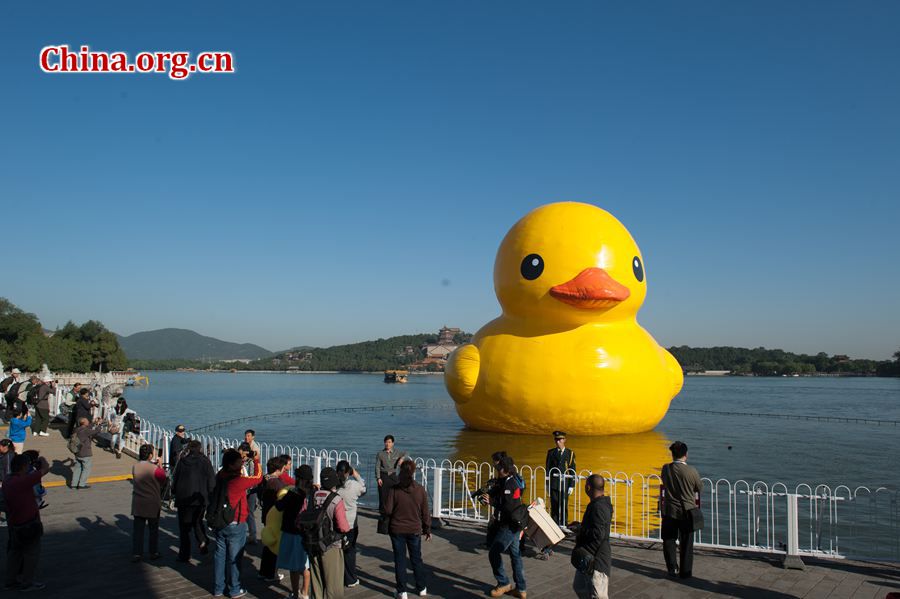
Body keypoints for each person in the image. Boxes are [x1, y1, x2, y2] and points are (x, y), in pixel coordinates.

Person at [211, 447, 262, 599]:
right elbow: (258, 478)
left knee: (220, 556)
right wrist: (257, 460)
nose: (241, 464)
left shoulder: (220, 475)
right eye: (239, 462)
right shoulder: (238, 481)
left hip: (219, 521)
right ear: (232, 465)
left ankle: (218, 588)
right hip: (236, 522)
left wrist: (243, 458)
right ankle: (234, 589)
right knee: (234, 558)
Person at [2, 452, 50, 591]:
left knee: (14, 553)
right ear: (23, 466)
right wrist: (42, 459)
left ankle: (10, 581)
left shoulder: (7, 480)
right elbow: (46, 469)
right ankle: (27, 582)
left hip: (14, 523)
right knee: (31, 554)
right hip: (28, 523)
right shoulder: (23, 481)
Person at [383, 460, 430, 598]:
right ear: (413, 472)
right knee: (416, 559)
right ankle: (421, 587)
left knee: (400, 560)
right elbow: (425, 513)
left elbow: (388, 510)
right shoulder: (420, 489)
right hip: (414, 529)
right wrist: (427, 529)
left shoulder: (394, 489)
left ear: (400, 471)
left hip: (397, 529)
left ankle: (402, 590)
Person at [660, 440, 703, 580]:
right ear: (686, 454)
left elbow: (664, 482)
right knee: (686, 542)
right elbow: (699, 487)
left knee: (669, 539)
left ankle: (672, 567)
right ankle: (685, 571)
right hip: (687, 510)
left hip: (669, 509)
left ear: (672, 454)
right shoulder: (691, 471)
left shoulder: (665, 469)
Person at [486, 455, 527, 599]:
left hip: (509, 524)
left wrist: (492, 502)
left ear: (504, 469)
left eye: (499, 468)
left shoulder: (510, 484)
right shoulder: (512, 480)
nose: (497, 471)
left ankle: (503, 583)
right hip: (516, 523)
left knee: (494, 552)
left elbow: (508, 507)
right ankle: (521, 588)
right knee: (515, 555)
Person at [309, 467, 351, 599]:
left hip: (314, 543)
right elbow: (343, 527)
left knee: (317, 582)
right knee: (334, 586)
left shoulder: (313, 496)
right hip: (331, 545)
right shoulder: (336, 500)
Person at [173, 439, 215, 562]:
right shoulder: (205, 462)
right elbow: (211, 481)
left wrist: (174, 492)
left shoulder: (182, 462)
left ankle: (184, 554)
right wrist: (210, 497)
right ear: (200, 449)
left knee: (184, 528)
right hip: (199, 498)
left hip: (183, 499)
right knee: (197, 521)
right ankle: (202, 541)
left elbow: (176, 479)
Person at [572, 474, 612, 599]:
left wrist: (580, 529)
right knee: (579, 586)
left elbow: (598, 534)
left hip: (596, 561)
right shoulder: (598, 504)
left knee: (597, 595)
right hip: (587, 558)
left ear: (588, 487)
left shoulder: (598, 507)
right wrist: (580, 526)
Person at [278, 465, 314, 599]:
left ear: (298, 478)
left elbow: (279, 506)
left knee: (294, 567)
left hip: (291, 532)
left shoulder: (293, 493)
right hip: (306, 533)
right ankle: (305, 593)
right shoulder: (313, 492)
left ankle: (294, 592)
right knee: (306, 566)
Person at [132, 444, 167, 562]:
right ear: (150, 455)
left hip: (138, 502)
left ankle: (137, 553)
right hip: (152, 502)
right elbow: (163, 479)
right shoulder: (155, 469)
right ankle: (153, 552)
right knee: (153, 529)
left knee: (138, 530)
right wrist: (160, 465)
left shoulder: (135, 466)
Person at [336, 460, 366, 588]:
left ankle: (338, 575)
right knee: (350, 550)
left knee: (338, 550)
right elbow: (363, 488)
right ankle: (350, 578)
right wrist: (356, 475)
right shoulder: (354, 485)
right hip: (351, 524)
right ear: (348, 472)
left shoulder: (335, 487)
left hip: (337, 522)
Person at [258, 456, 287, 582]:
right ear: (279, 469)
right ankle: (271, 573)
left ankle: (264, 571)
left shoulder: (265, 478)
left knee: (268, 543)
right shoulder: (277, 483)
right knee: (274, 545)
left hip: (266, 514)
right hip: (275, 517)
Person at [546, 431, 577, 530]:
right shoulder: (551, 452)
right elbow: (547, 469)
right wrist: (547, 484)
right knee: (554, 505)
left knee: (564, 505)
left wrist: (572, 485)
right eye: (556, 440)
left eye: (559, 439)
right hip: (554, 483)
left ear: (564, 440)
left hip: (565, 483)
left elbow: (572, 470)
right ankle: (554, 526)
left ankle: (564, 525)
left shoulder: (570, 453)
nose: (558, 442)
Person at [376, 434, 408, 511]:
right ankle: (383, 512)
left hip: (393, 476)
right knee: (383, 495)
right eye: (386, 442)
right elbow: (377, 466)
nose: (388, 444)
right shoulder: (380, 454)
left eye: (389, 442)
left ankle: (394, 511)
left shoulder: (396, 452)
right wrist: (378, 478)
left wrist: (402, 458)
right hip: (384, 476)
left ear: (393, 443)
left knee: (395, 494)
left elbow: (406, 453)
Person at [239, 440, 260, 545]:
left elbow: (254, 477)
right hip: (242, 490)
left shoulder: (251, 463)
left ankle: (253, 535)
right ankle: (242, 534)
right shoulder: (238, 462)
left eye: (242, 453)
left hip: (250, 491)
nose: (241, 455)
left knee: (250, 512)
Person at [71, 417, 100, 489]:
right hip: (85, 453)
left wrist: (94, 423)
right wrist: (99, 424)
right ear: (84, 423)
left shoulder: (77, 429)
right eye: (87, 421)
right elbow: (96, 431)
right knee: (86, 469)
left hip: (77, 452)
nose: (88, 421)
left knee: (77, 468)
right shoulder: (86, 431)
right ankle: (81, 484)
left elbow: (88, 428)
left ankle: (74, 484)